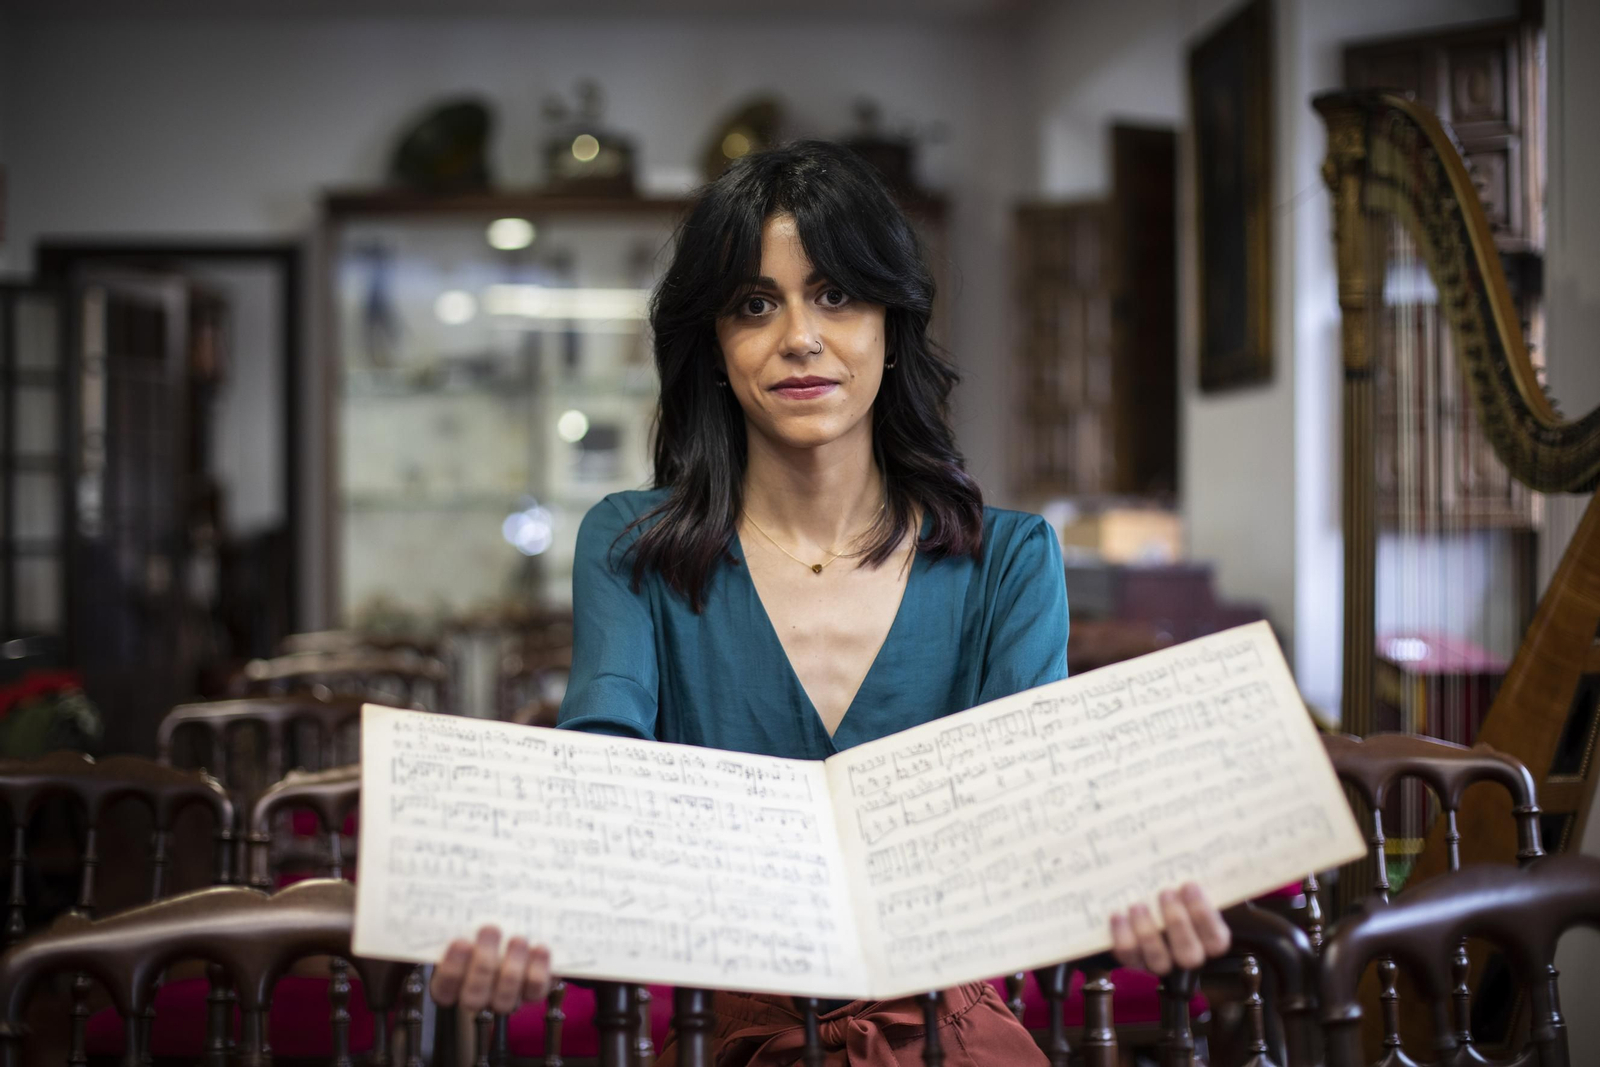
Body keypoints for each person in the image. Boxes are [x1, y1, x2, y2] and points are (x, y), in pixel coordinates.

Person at [429, 140, 1231, 1064]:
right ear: (715, 345)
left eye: (836, 294)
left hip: (955, 1040)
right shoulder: (632, 545)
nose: (800, 336)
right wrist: (519, 900)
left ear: (893, 322)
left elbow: (1034, 826)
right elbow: (601, 775)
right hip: (737, 1041)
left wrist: (1131, 883)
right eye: (755, 304)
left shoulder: (1011, 558)